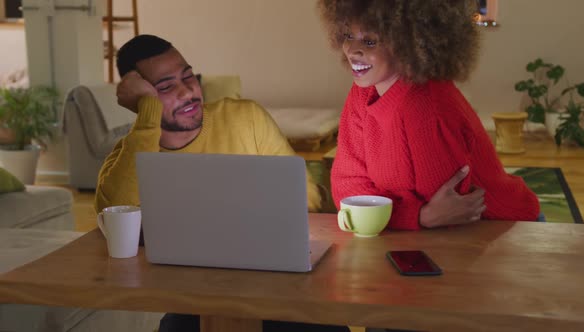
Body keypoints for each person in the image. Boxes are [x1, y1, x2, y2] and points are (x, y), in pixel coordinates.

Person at [95, 34, 348, 332]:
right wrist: (148, 115)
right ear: (140, 100)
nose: (188, 91)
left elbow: (306, 199)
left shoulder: (245, 118)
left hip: (281, 286)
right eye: (164, 87)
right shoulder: (129, 154)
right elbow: (115, 224)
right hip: (194, 300)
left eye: (188, 76)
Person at [317, 0, 540, 230]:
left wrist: (411, 216)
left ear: (408, 43)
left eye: (370, 41)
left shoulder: (427, 106)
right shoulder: (361, 95)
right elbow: (348, 187)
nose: (352, 51)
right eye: (347, 36)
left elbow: (450, 211)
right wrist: (419, 217)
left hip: (507, 227)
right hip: (431, 233)